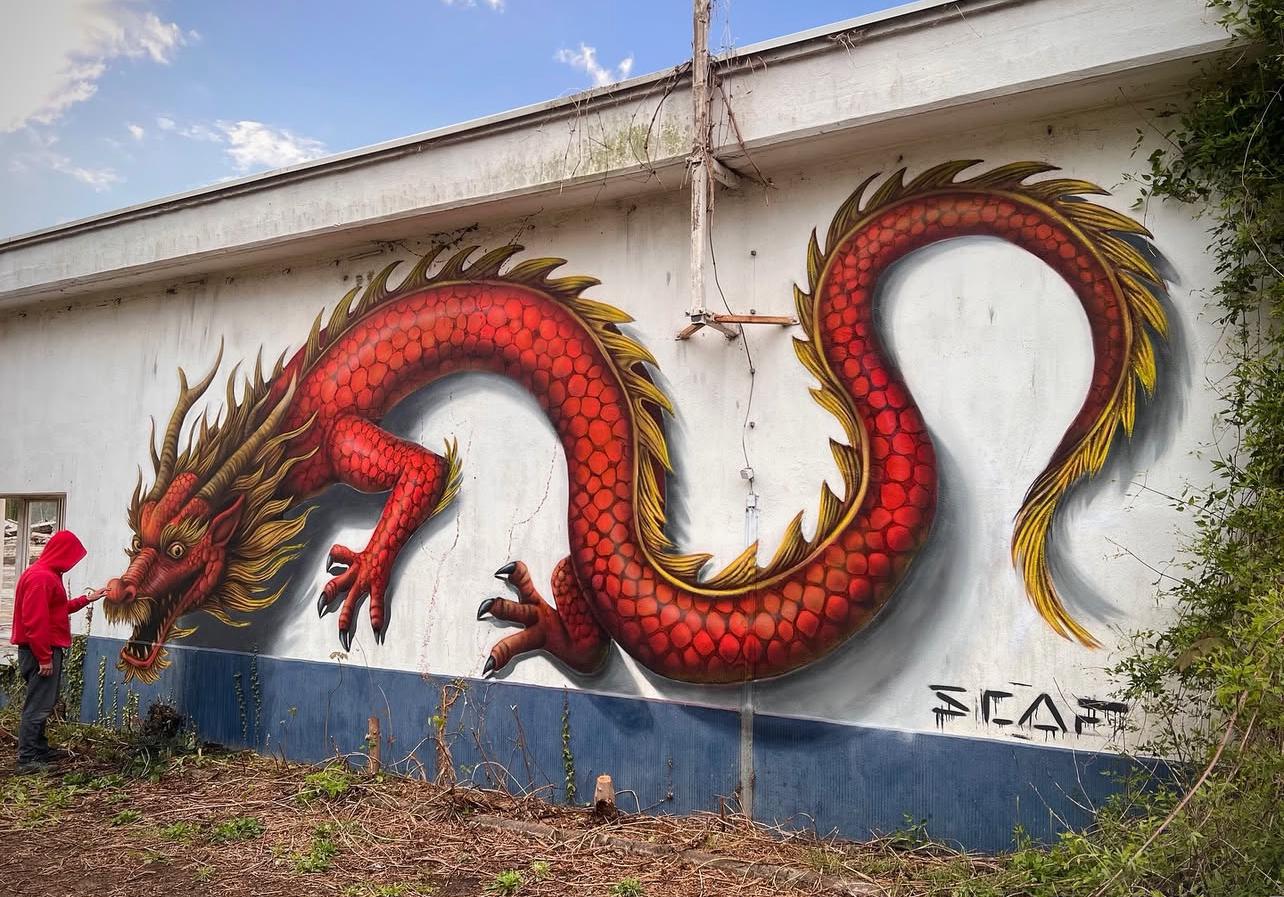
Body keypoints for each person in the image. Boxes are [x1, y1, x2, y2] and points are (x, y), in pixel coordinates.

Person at [9, 529, 98, 772]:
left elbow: (57, 609)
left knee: (43, 702)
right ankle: (28, 758)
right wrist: (44, 658)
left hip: (42, 649)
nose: (72, 564)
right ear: (61, 553)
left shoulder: (46, 574)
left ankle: (39, 749)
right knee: (38, 705)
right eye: (71, 557)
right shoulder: (41, 578)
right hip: (40, 650)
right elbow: (35, 622)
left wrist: (87, 599)